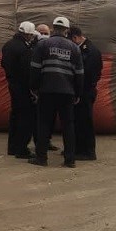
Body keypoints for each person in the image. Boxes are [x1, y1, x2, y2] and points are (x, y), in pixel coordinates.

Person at [29, 16, 83, 168]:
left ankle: (41, 158)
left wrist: (34, 88)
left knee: (44, 124)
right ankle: (70, 160)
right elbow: (79, 73)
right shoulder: (75, 48)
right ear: (66, 30)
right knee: (68, 126)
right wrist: (78, 93)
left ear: (52, 28)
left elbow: (35, 69)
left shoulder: (43, 45)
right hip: (67, 93)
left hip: (46, 91)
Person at [1, 21, 37, 159]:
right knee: (25, 118)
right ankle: (22, 149)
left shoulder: (8, 45)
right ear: (27, 34)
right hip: (23, 87)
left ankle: (13, 147)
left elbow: (4, 64)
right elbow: (28, 71)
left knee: (15, 116)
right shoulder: (24, 49)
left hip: (13, 84)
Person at [69, 26, 102, 160]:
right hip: (81, 91)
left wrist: (79, 89)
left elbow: (88, 73)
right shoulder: (83, 48)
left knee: (85, 122)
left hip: (85, 91)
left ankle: (88, 152)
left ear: (75, 38)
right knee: (78, 121)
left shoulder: (89, 50)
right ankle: (77, 148)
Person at [32, 23, 59, 152]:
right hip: (40, 89)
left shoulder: (53, 48)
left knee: (50, 118)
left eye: (45, 33)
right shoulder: (34, 48)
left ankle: (46, 141)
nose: (43, 35)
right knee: (39, 118)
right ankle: (39, 144)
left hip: (52, 88)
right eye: (40, 33)